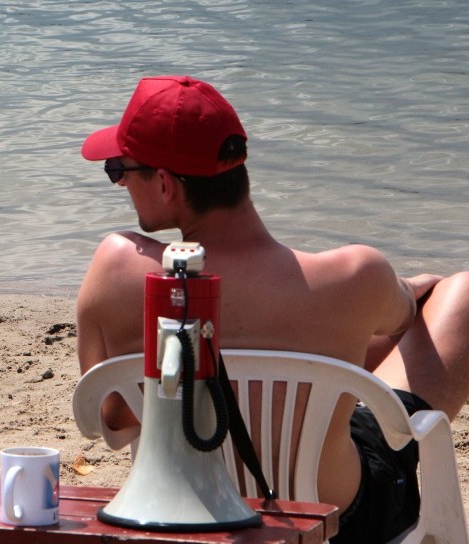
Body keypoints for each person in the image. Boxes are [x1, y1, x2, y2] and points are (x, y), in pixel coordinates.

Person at [76, 75, 469, 543]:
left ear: (164, 184)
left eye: (119, 169)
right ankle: (325, 370)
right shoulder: (355, 275)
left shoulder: (116, 269)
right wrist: (404, 290)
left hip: (189, 512)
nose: (119, 181)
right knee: (461, 293)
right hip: (339, 518)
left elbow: (112, 421)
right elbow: (406, 318)